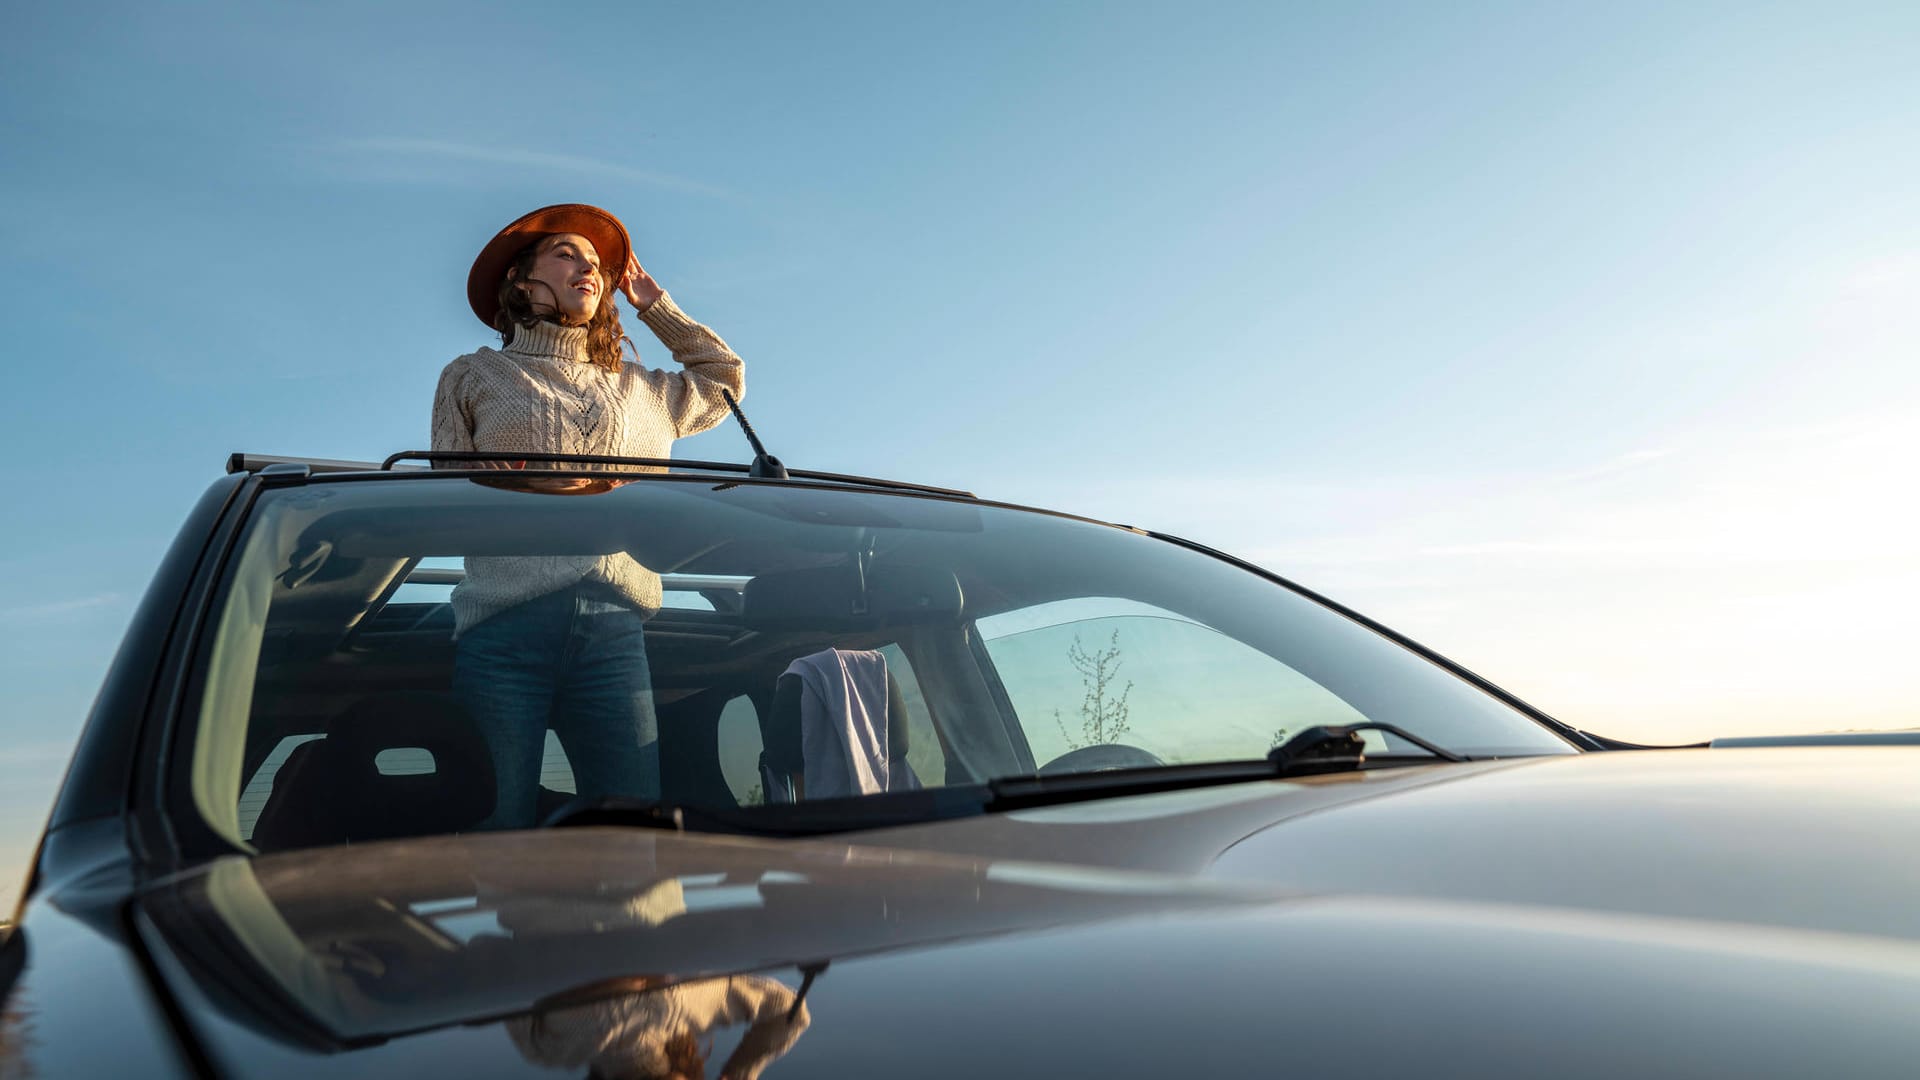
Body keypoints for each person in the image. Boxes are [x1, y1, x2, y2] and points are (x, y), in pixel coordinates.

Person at [431, 203, 746, 829]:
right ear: (522, 282)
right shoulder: (473, 375)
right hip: (500, 630)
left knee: (633, 831)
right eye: (567, 254)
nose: (590, 270)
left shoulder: (647, 389)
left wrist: (656, 306)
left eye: (598, 264)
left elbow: (723, 377)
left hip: (615, 633)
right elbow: (448, 498)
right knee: (500, 828)